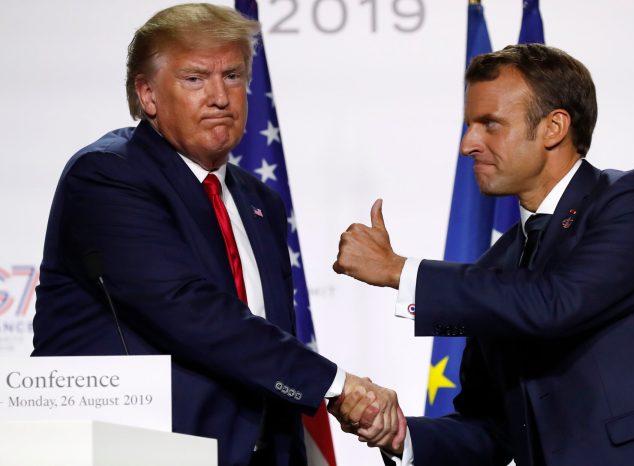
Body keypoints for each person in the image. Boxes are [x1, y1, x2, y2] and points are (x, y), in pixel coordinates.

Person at [32, 4, 403, 466]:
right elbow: (188, 309)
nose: (220, 96)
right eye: (194, 79)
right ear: (147, 95)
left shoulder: (259, 202)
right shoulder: (109, 176)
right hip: (142, 451)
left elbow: (269, 337)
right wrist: (336, 384)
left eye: (232, 75)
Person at [333, 44, 634, 466]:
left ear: (554, 127)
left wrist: (399, 271)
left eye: (490, 124)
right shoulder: (494, 268)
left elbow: (557, 303)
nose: (468, 144)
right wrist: (399, 433)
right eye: (468, 125)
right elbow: (492, 428)